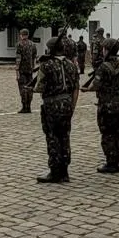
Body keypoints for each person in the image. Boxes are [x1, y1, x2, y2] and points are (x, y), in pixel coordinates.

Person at [31, 38, 78, 183]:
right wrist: (72, 106)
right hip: (67, 103)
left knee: (53, 137)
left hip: (52, 104)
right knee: (65, 136)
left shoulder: (47, 65)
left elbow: (39, 87)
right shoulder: (71, 64)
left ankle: (54, 171)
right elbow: (76, 88)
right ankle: (64, 170)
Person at [82, 37, 119, 173]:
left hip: (106, 104)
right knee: (118, 133)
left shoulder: (103, 67)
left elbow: (96, 85)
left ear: (106, 50)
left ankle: (111, 162)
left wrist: (86, 89)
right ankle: (117, 160)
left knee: (107, 133)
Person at [15, 30, 36, 113]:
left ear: (21, 35)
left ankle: (24, 107)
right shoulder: (33, 44)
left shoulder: (19, 44)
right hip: (30, 70)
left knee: (23, 88)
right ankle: (29, 106)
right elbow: (34, 58)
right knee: (30, 88)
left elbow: (18, 59)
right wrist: (33, 67)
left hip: (22, 70)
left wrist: (17, 71)